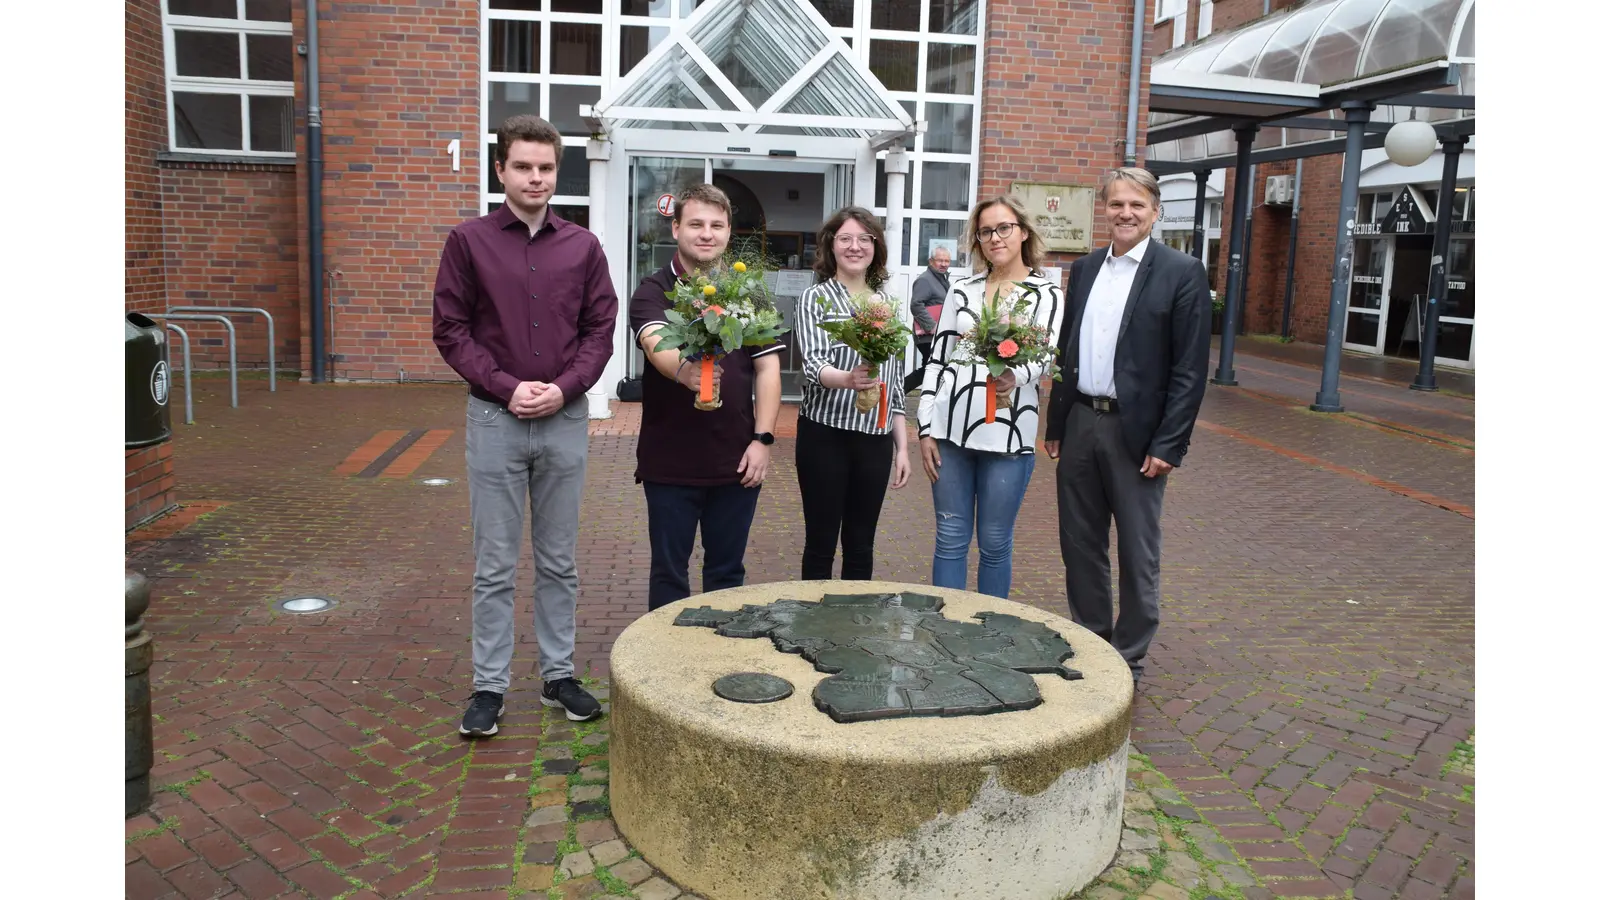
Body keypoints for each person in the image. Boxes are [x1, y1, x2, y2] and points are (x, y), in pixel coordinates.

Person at [432, 115, 616, 735]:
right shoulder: (468, 242)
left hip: (563, 420)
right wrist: (508, 387)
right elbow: (450, 330)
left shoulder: (583, 247)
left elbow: (599, 330)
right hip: (495, 420)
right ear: (501, 170)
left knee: (559, 561)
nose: (536, 178)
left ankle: (558, 676)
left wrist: (564, 388)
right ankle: (489, 686)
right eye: (523, 167)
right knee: (494, 565)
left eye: (545, 167)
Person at [1043, 167, 1210, 685]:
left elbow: (1189, 368)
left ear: (1155, 211)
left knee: (1138, 549)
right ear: (1105, 209)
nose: (1126, 213)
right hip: (1081, 422)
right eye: (1116, 203)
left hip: (1137, 434)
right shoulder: (1086, 268)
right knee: (1080, 543)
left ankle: (1130, 654)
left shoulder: (1182, 271)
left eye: (1137, 204)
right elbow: (1067, 346)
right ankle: (1093, 641)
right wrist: (1057, 421)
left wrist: (1170, 443)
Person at [630, 183, 783, 611]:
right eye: (696, 224)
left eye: (717, 225)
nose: (706, 234)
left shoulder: (750, 292)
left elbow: (768, 369)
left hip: (736, 462)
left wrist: (763, 440)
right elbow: (655, 343)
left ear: (729, 232)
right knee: (668, 573)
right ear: (676, 228)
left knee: (727, 575)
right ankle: (664, 652)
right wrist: (687, 372)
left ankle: (720, 651)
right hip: (669, 462)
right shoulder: (655, 289)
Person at [917, 196, 1064, 599]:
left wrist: (1015, 375)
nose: (995, 237)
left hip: (1009, 433)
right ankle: (947, 626)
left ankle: (989, 627)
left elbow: (1045, 356)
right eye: (985, 231)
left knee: (995, 542)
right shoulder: (961, 289)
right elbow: (938, 360)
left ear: (1023, 232)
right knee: (950, 537)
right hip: (950, 429)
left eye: (1004, 228)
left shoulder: (1046, 293)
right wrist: (925, 427)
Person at [792, 207, 912, 581]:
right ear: (831, 245)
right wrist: (847, 379)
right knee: (820, 544)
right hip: (825, 435)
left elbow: (894, 383)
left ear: (876, 246)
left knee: (861, 546)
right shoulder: (816, 298)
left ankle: (855, 616)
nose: (854, 247)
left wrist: (902, 447)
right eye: (845, 238)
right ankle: (814, 616)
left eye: (864, 239)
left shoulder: (887, 305)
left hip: (875, 439)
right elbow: (813, 364)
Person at [905, 245, 952, 391]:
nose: (944, 264)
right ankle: (897, 391)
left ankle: (899, 392)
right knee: (930, 368)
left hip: (935, 335)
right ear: (931, 261)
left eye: (947, 261)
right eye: (940, 260)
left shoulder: (941, 279)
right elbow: (916, 305)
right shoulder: (925, 280)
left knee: (932, 367)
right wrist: (932, 326)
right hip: (928, 336)